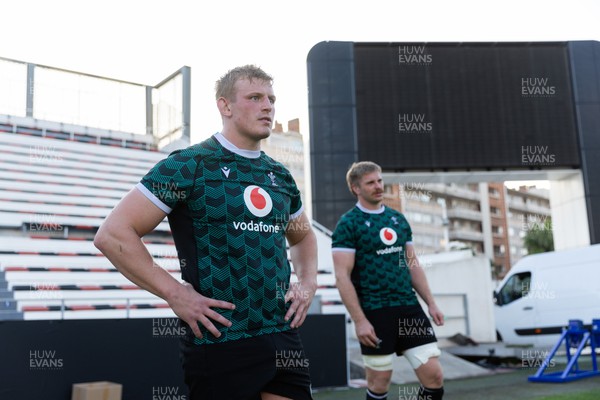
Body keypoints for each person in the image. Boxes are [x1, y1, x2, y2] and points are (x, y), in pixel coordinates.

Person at [94, 65, 317, 400]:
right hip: (221, 338)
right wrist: (175, 293)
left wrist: (307, 283)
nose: (268, 106)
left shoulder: (279, 176)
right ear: (225, 106)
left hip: (282, 333)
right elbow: (113, 234)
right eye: (255, 98)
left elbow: (302, 237)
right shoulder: (190, 164)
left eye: (271, 99)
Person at [332, 161, 445, 400]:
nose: (378, 186)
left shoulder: (398, 219)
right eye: (370, 182)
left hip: (408, 307)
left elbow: (413, 265)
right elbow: (342, 277)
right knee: (380, 381)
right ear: (356, 188)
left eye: (380, 180)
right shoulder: (348, 224)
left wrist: (431, 303)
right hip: (375, 311)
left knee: (434, 376)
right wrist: (359, 320)